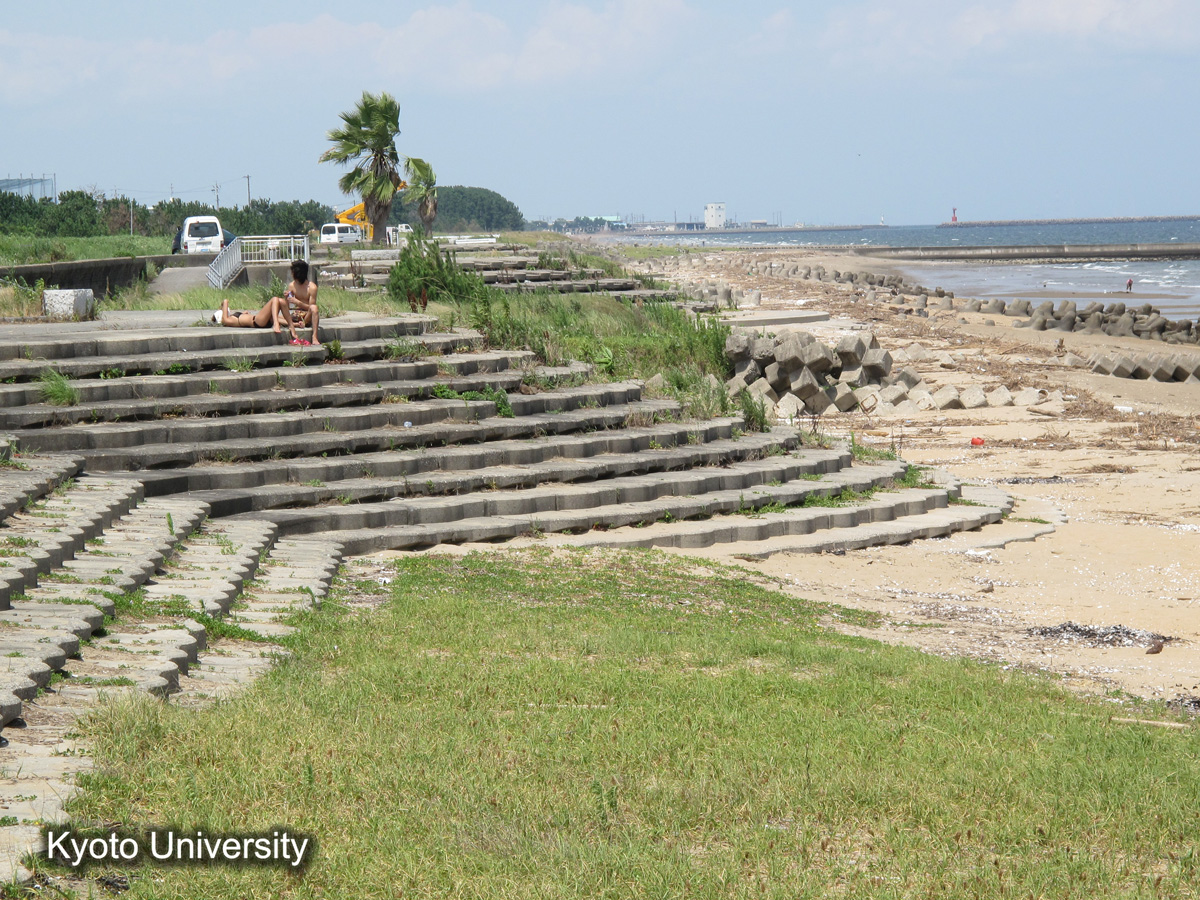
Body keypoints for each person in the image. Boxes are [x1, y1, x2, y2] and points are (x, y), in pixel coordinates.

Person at [278, 258, 321, 345]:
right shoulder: (292, 285)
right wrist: (286, 298)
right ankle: (296, 324)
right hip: (295, 315)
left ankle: (315, 336)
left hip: (306, 316)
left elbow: (311, 307)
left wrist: (298, 302)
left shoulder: (312, 287)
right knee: (273, 316)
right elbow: (287, 307)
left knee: (314, 307)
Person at [214, 297, 289, 333]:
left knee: (280, 301)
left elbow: (244, 318)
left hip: (258, 320)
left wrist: (244, 313)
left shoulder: (232, 318)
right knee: (274, 300)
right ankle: (276, 324)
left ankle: (294, 324)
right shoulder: (228, 321)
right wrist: (224, 303)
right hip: (257, 322)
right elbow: (225, 301)